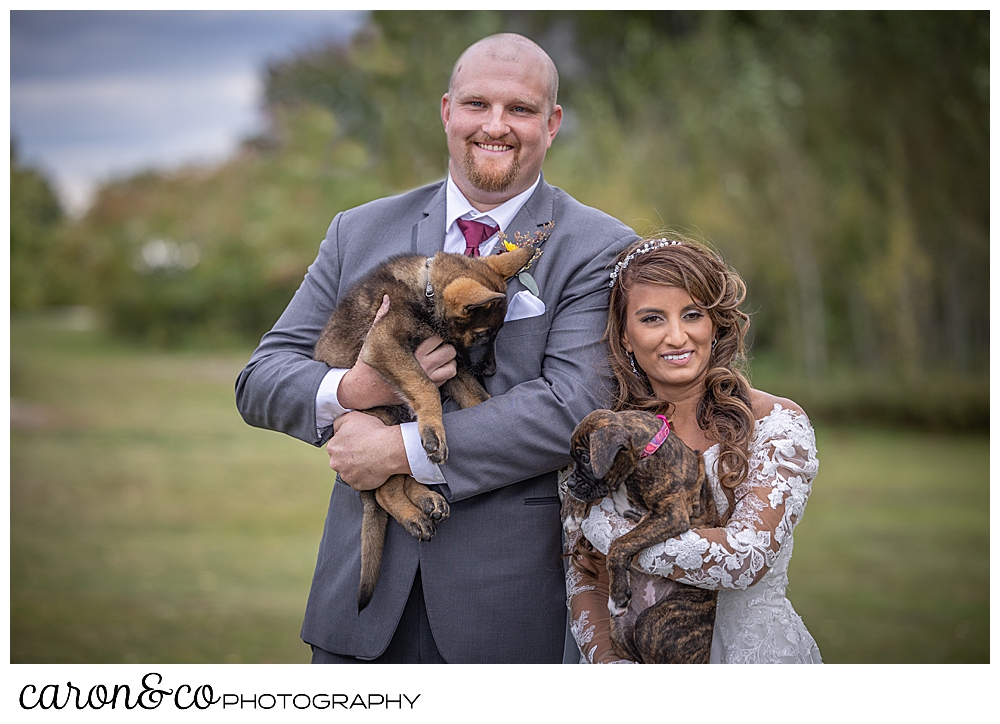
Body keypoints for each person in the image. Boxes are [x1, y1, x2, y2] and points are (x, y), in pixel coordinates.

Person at [235, 33, 638, 663]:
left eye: (521, 110)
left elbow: (573, 407)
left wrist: (394, 449)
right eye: (477, 104)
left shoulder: (598, 246)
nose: (495, 126)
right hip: (360, 618)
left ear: (553, 124)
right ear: (447, 110)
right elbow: (261, 378)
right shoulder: (359, 229)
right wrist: (356, 390)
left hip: (504, 613)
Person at [562, 236, 822, 664]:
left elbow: (744, 557)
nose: (676, 337)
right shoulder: (607, 435)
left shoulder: (776, 423)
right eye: (652, 318)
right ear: (625, 336)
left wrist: (609, 535)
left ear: (714, 323)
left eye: (692, 315)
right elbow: (584, 580)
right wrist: (611, 667)